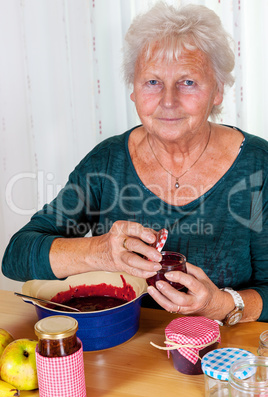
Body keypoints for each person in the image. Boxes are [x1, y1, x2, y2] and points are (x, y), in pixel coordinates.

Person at [2, 2, 268, 324]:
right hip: (122, 348)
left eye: (188, 82)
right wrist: (99, 251)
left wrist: (222, 304)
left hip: (221, 357)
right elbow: (16, 256)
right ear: (133, 91)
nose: (168, 101)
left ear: (217, 91)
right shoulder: (107, 161)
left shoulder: (258, 166)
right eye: (152, 82)